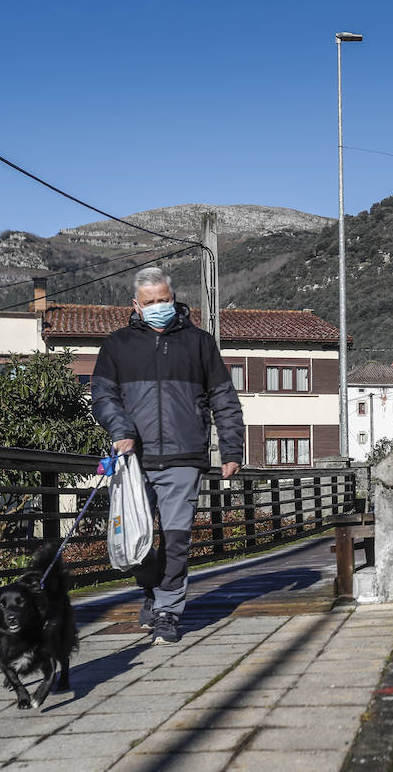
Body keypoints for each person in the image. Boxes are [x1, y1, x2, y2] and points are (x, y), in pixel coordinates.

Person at [91, 267, 244, 644]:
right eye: (150, 302)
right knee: (137, 542)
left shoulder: (200, 343)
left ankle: (167, 612)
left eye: (164, 300)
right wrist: (120, 430)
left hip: (184, 456)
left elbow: (223, 399)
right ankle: (152, 591)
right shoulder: (117, 345)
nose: (159, 307)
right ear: (136, 306)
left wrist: (231, 449)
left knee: (176, 540)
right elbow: (102, 397)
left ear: (173, 298)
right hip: (134, 461)